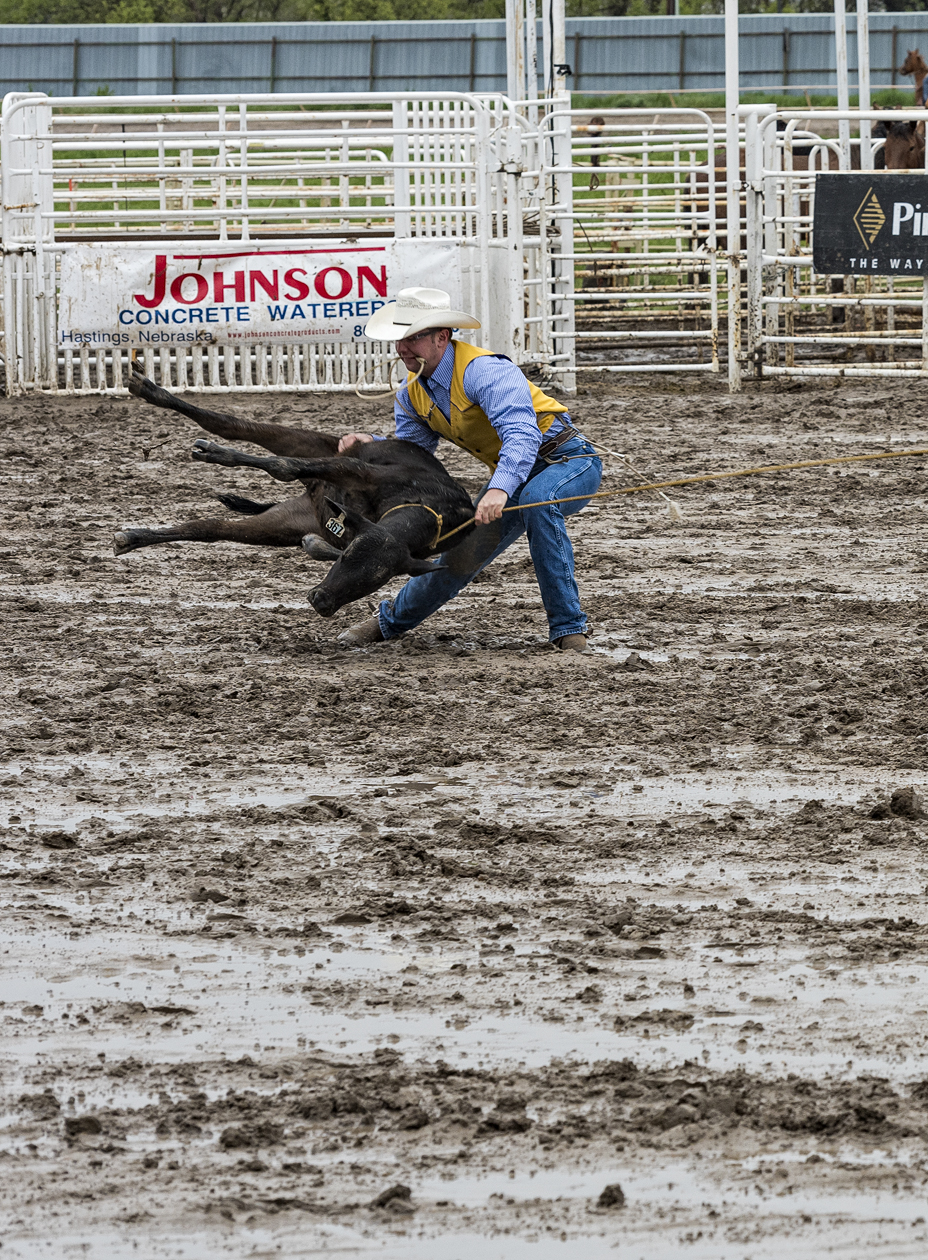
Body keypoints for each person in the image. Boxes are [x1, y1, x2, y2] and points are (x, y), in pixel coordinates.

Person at [337, 287, 602, 653]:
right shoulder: (410, 392)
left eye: (412, 338)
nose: (402, 348)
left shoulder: (486, 371)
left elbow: (522, 434)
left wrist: (499, 488)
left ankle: (569, 628)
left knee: (540, 501)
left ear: (441, 337)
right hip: (514, 474)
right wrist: (372, 444)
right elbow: (413, 452)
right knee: (461, 552)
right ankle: (389, 621)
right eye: (399, 339)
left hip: (569, 460)